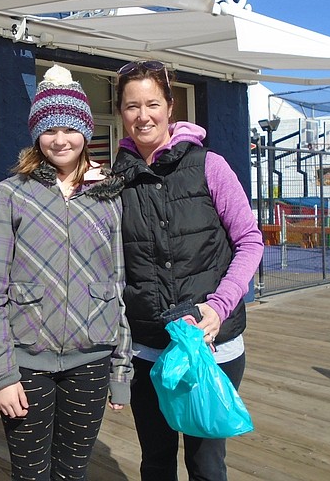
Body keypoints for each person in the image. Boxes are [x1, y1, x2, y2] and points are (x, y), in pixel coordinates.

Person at [0, 64, 132, 481]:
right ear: (36, 134)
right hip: (27, 364)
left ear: (86, 131)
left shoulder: (107, 197)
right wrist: (1, 374)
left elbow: (118, 287)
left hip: (91, 361)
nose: (60, 140)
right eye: (49, 130)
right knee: (31, 473)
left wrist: (120, 369)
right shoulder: (9, 195)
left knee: (73, 472)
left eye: (70, 129)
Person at [111, 60, 264, 481]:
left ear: (170, 106)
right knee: (156, 463)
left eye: (152, 104)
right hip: (147, 350)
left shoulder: (210, 166)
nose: (143, 116)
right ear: (121, 112)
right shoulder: (112, 182)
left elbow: (250, 241)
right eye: (131, 106)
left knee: (206, 465)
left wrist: (219, 306)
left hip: (211, 350)